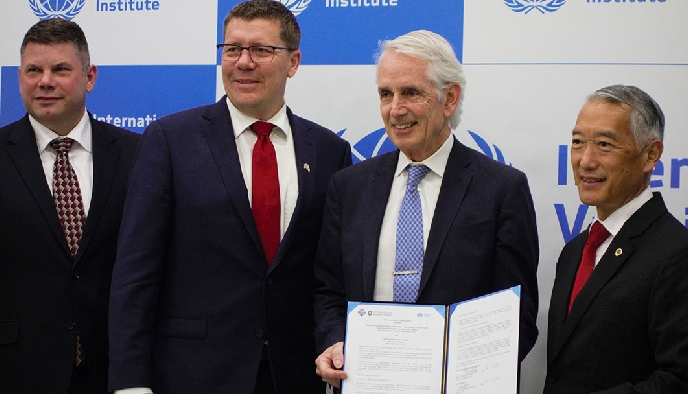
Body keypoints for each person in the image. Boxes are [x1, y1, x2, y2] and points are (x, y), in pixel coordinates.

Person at [107, 1, 352, 393]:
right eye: (232, 49)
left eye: (261, 50)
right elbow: (136, 272)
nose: (243, 62)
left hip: (294, 375)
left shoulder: (329, 150)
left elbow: (330, 275)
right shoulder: (170, 140)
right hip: (194, 375)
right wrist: (130, 383)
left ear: (293, 62)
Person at [313, 29, 540, 388]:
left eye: (411, 93)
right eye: (386, 94)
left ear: (450, 98)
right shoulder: (349, 186)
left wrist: (472, 377)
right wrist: (332, 341)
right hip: (366, 382)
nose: (395, 109)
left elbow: (516, 313)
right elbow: (328, 290)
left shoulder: (501, 189)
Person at [0, 18, 139, 393]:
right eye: (33, 70)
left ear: (90, 77)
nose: (45, 81)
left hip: (114, 369)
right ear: (19, 77)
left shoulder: (138, 155)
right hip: (17, 369)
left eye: (60, 69)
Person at [544, 85, 688, 393]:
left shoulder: (677, 254)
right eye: (577, 143)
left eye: (604, 144)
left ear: (650, 155)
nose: (585, 161)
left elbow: (682, 381)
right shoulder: (575, 251)